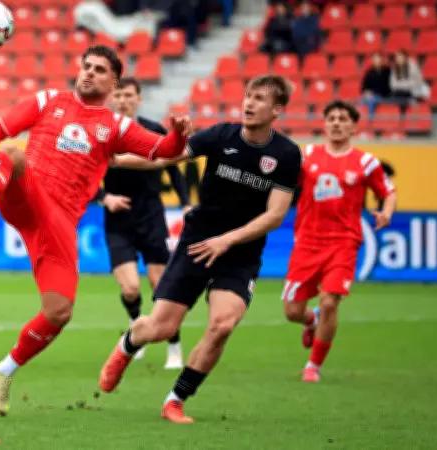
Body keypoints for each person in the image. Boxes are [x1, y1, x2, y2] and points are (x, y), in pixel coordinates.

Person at [0, 45, 192, 417]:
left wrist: (179, 135)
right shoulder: (48, 101)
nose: (89, 72)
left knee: (59, 312)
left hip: (59, 223)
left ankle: (4, 370)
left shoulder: (116, 126)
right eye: (86, 66)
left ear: (113, 82)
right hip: (26, 196)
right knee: (14, 152)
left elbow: (163, 149)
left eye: (100, 69)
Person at [98, 75, 302, 424]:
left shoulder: (286, 154)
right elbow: (163, 158)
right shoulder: (220, 135)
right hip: (198, 241)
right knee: (161, 328)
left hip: (240, 252)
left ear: (277, 110)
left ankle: (175, 400)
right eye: (248, 96)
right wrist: (114, 159)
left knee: (222, 325)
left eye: (259, 99)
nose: (249, 103)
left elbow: (275, 214)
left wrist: (228, 240)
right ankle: (127, 346)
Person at [282, 100, 396, 383]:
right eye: (331, 118)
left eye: (343, 119)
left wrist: (386, 212)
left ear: (353, 126)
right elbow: (283, 185)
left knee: (330, 302)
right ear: (324, 124)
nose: (336, 123)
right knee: (292, 311)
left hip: (344, 243)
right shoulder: (307, 156)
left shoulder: (366, 163)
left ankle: (313, 366)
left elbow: (388, 192)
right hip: (307, 241)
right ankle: (311, 320)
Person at [94, 77, 190, 369]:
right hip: (118, 219)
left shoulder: (154, 130)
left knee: (160, 287)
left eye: (128, 95)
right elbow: (84, 174)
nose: (123, 100)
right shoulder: (101, 133)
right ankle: (137, 331)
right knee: (130, 289)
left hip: (151, 215)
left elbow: (173, 168)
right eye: (118, 95)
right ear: (111, 99)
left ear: (139, 98)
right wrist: (105, 197)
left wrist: (185, 203)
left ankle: (174, 346)